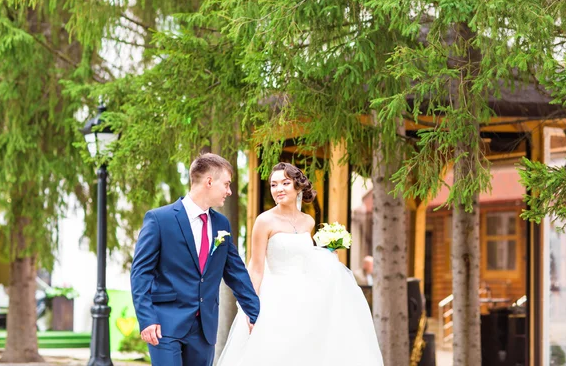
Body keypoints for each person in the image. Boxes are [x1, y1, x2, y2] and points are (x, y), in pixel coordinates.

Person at [217, 162, 383, 366]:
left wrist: (328, 254)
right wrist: (251, 309)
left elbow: (306, 258)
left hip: (307, 298)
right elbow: (256, 268)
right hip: (275, 299)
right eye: (273, 184)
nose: (278, 189)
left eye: (285, 183)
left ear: (298, 186)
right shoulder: (264, 221)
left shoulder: (308, 221)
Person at [130, 153, 260, 366]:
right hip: (165, 325)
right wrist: (146, 319)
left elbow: (236, 273)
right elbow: (140, 273)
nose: (230, 191)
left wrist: (255, 314)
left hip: (204, 330)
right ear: (209, 181)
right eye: (226, 184)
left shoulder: (222, 225)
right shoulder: (159, 219)